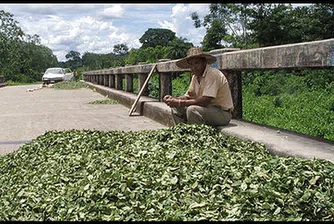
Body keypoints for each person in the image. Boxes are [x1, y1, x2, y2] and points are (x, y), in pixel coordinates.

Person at [163, 47, 234, 127]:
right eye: (191, 64)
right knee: (176, 108)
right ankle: (183, 134)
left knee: (192, 110)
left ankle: (196, 136)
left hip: (221, 113)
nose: (194, 67)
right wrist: (174, 99)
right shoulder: (195, 77)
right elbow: (189, 96)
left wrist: (180, 102)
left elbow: (205, 100)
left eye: (197, 63)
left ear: (204, 62)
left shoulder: (212, 74)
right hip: (206, 109)